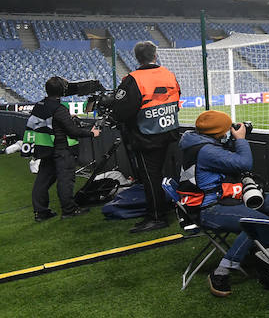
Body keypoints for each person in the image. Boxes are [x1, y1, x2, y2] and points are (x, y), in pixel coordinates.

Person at [178, 110, 269, 297]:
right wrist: (241, 140)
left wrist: (231, 139)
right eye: (228, 128)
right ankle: (221, 272)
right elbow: (244, 163)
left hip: (219, 199)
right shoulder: (207, 151)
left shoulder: (198, 140)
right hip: (207, 208)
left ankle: (259, 250)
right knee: (257, 222)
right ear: (218, 133)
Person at [110, 40, 182, 233]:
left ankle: (157, 217)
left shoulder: (133, 79)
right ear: (155, 56)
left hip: (146, 136)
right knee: (161, 174)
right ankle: (162, 208)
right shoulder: (168, 74)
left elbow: (121, 112)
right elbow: (176, 97)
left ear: (137, 58)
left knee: (150, 177)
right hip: (169, 131)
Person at [26, 76, 100, 221]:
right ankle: (69, 210)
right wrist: (92, 133)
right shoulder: (59, 109)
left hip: (46, 148)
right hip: (61, 150)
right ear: (62, 91)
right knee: (65, 180)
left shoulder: (40, 105)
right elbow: (73, 131)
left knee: (42, 181)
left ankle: (41, 213)